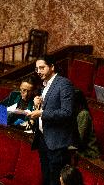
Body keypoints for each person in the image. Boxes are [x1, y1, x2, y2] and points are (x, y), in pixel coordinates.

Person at [27, 55, 78, 185]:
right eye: (37, 68)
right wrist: (38, 104)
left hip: (57, 142)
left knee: (54, 181)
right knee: (46, 179)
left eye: (42, 68)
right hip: (43, 140)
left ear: (52, 67)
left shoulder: (64, 84)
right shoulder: (45, 85)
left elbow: (67, 112)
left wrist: (42, 113)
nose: (38, 71)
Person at [74, 89, 100, 159]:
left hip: (88, 154)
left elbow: (78, 140)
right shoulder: (74, 112)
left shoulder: (83, 114)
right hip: (78, 151)